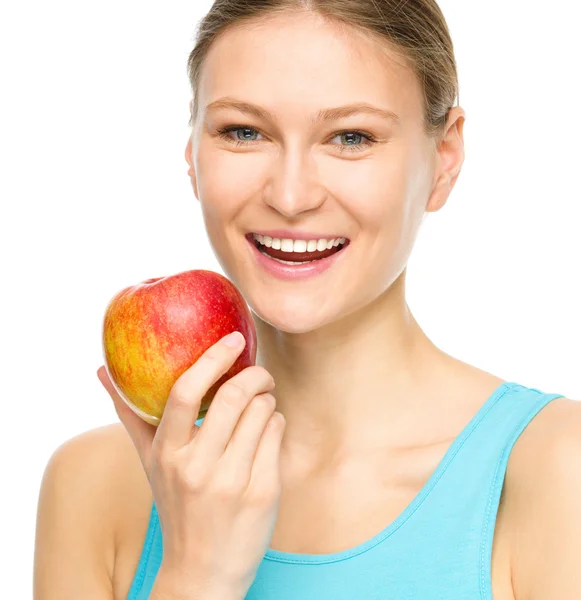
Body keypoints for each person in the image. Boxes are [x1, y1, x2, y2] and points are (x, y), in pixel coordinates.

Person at [33, 1, 580, 599]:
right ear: (192, 150)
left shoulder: (556, 471)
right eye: (243, 132)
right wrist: (196, 575)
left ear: (444, 159)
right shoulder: (94, 485)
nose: (290, 196)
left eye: (351, 137)